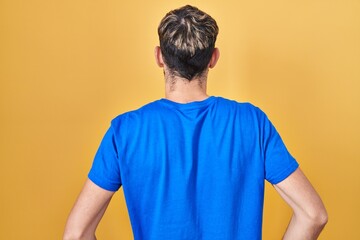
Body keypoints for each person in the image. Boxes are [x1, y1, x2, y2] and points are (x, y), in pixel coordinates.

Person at [63, 5, 327, 240]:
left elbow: (77, 234)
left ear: (159, 57)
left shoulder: (125, 132)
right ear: (213, 58)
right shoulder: (251, 123)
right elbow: (312, 215)